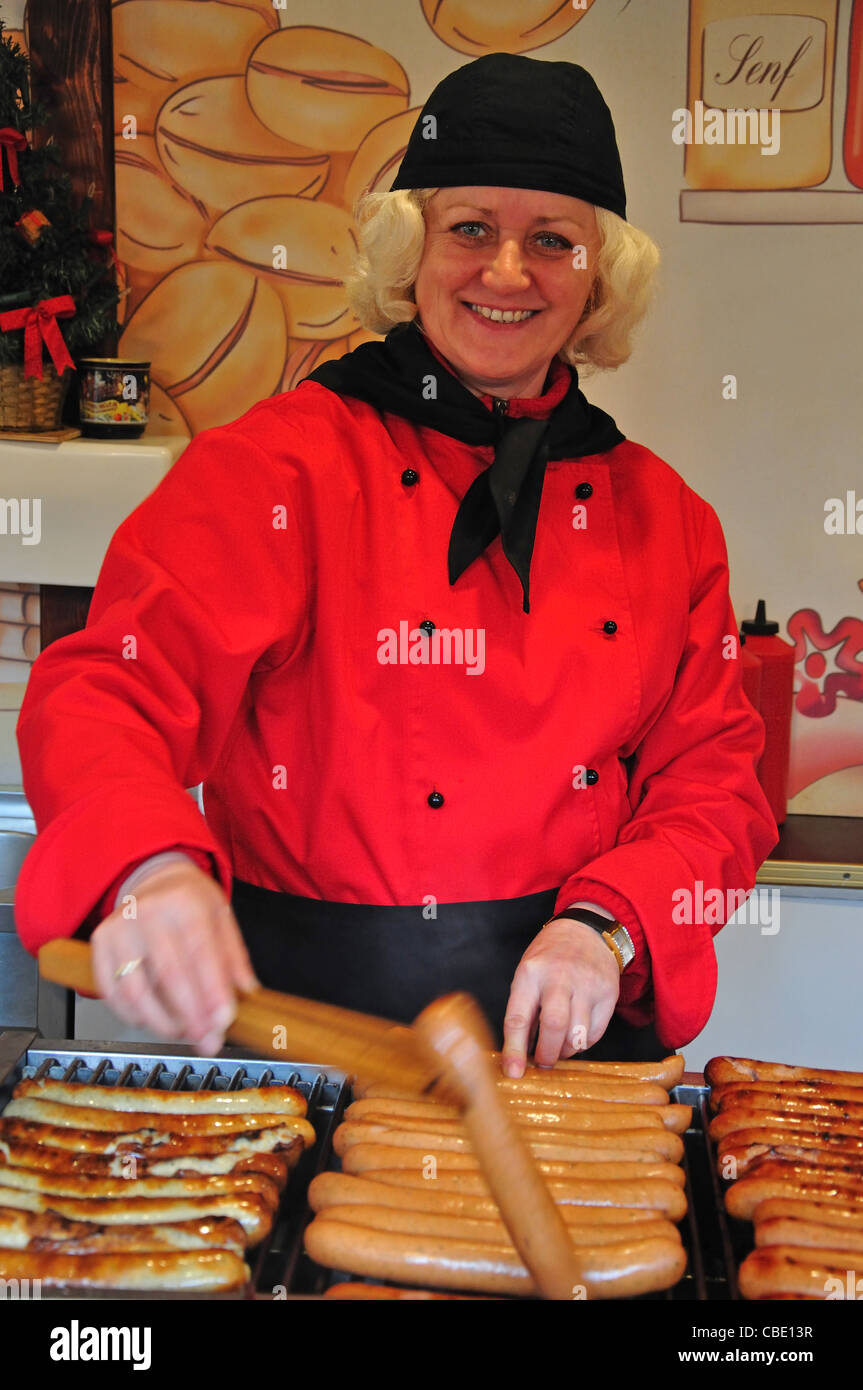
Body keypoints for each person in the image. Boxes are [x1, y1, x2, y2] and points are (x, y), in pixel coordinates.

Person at [15, 55, 777, 1073]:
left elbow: (714, 781)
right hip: (308, 1045)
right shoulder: (271, 468)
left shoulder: (665, 518)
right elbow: (107, 688)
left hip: (571, 1051)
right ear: (409, 249)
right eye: (469, 229)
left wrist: (609, 924)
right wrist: (149, 865)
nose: (507, 274)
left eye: (552, 241)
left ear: (601, 278)